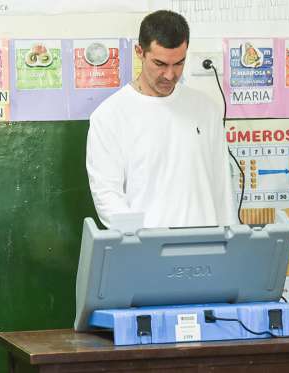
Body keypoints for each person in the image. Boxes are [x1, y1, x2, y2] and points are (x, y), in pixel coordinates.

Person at [86, 10, 237, 228]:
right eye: (160, 64)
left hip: (206, 247)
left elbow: (223, 188)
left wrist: (228, 243)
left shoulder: (206, 109)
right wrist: (142, 242)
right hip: (146, 251)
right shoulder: (109, 116)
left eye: (178, 63)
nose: (169, 74)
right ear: (140, 52)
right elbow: (107, 196)